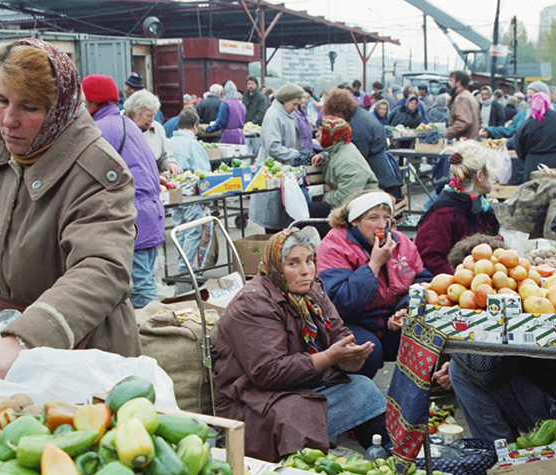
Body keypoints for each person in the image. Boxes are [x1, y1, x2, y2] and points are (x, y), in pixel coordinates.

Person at [0, 38, 141, 378]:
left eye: (30, 107)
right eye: (1, 99)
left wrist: (22, 339)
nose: (9, 119)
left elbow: (102, 269)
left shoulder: (96, 171)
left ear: (59, 109)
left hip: (75, 350)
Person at [213, 230, 387, 461]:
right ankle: (297, 463)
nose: (306, 271)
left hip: (300, 384)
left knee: (363, 389)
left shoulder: (312, 289)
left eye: (309, 261)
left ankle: (387, 456)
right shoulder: (252, 303)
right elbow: (267, 372)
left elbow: (339, 333)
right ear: (275, 266)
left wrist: (351, 358)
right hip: (254, 399)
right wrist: (329, 357)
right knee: (299, 414)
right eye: (293, 263)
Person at [316, 190, 432, 379]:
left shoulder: (400, 241)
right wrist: (374, 265)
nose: (381, 225)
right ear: (355, 220)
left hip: (390, 319)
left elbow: (423, 281)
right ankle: (352, 394)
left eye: (387, 218)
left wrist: (405, 308)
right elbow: (340, 303)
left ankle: (420, 396)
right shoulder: (334, 245)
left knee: (431, 333)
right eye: (373, 218)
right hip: (350, 321)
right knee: (368, 351)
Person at [82, 74, 164, 308]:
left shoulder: (98, 130)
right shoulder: (125, 124)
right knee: (143, 282)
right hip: (149, 214)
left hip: (133, 218)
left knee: (141, 291)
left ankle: (159, 339)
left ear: (88, 102)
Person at [414, 141, 501, 276]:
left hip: (482, 281)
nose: (494, 178)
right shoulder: (443, 213)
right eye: (490, 174)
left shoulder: (482, 206)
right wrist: (462, 278)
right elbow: (429, 259)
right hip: (453, 288)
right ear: (479, 176)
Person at [250, 83, 314, 233]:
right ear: (285, 100)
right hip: (273, 172)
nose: (296, 108)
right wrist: (295, 154)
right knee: (274, 223)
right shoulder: (274, 116)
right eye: (294, 104)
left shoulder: (284, 113)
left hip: (283, 172)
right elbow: (273, 146)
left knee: (282, 221)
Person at [324, 89, 403, 200]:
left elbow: (357, 157)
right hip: (386, 170)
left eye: (333, 114)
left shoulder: (357, 127)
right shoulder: (359, 114)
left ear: (340, 110)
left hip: (380, 175)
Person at [169, 108, 214, 273]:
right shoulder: (193, 144)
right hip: (191, 195)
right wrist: (207, 198)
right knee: (193, 231)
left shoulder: (169, 142)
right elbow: (203, 172)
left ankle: (181, 263)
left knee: (178, 230)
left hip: (173, 193)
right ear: (195, 126)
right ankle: (185, 267)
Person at [313, 116, 378, 215]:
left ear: (331, 135)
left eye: (321, 131)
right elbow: (333, 154)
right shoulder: (340, 147)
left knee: (309, 210)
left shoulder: (349, 163)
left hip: (361, 209)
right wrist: (324, 156)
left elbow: (345, 198)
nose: (316, 134)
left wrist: (327, 196)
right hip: (354, 204)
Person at [124, 90, 182, 175]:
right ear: (134, 113)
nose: (152, 119)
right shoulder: (119, 127)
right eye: (148, 115)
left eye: (154, 115)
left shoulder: (157, 129)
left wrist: (170, 164)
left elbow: (165, 157)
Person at [205, 81, 246, 145]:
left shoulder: (225, 103)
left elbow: (220, 123)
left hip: (228, 137)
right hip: (240, 136)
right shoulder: (241, 104)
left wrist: (208, 128)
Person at [446, 71, 480, 140]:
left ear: (458, 82)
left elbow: (464, 121)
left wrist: (446, 133)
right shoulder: (470, 96)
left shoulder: (461, 98)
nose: (449, 83)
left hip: (464, 143)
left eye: (451, 80)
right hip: (471, 141)